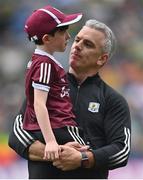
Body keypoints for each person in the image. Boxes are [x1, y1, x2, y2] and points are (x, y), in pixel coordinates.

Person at [9, 19, 131, 179]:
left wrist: (83, 159)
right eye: (77, 40)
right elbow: (17, 134)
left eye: (88, 44)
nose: (77, 46)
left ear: (101, 59)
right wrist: (56, 153)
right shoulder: (44, 85)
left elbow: (121, 150)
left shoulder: (113, 100)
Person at [12, 5, 89, 178]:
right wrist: (51, 141)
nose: (69, 36)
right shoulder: (45, 64)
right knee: (90, 155)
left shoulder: (41, 61)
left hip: (56, 128)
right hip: (58, 127)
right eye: (63, 32)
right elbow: (39, 104)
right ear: (47, 38)